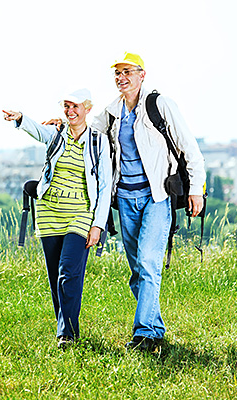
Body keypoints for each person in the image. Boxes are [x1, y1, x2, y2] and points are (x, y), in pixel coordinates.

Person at [91, 52, 206, 351]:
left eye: (127, 72)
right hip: (125, 198)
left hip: (157, 197)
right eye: (117, 73)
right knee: (138, 270)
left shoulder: (160, 105)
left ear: (142, 75)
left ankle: (143, 334)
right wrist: (63, 125)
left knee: (148, 262)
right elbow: (88, 132)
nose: (121, 78)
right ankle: (155, 329)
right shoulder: (113, 111)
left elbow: (189, 148)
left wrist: (195, 189)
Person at [2, 88, 112, 349]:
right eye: (66, 107)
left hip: (81, 213)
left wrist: (98, 224)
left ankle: (68, 334)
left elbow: (106, 184)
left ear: (87, 108)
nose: (71, 111)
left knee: (68, 272)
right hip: (49, 210)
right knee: (55, 276)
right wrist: (21, 118)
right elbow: (37, 131)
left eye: (76, 107)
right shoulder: (56, 134)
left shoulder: (98, 141)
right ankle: (65, 327)